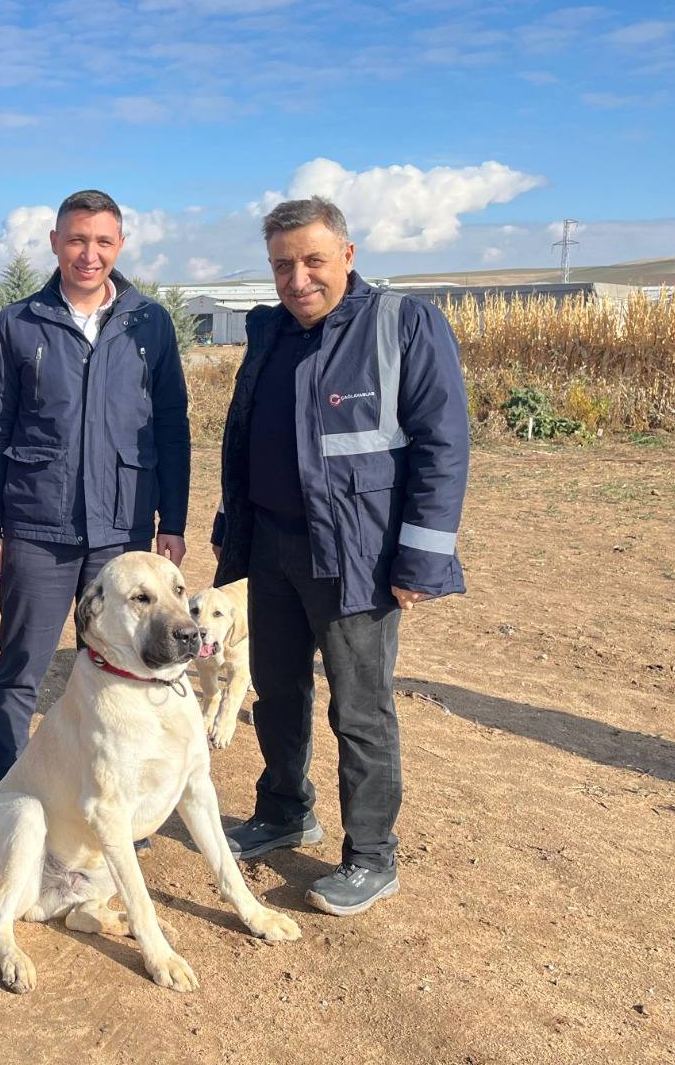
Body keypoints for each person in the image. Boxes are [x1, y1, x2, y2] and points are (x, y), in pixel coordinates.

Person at [210, 196, 470, 917]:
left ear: (347, 256)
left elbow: (444, 447)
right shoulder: (268, 333)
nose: (297, 279)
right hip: (273, 547)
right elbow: (250, 441)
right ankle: (285, 810)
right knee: (278, 689)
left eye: (313, 260)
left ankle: (371, 857)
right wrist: (235, 531)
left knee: (360, 710)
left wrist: (419, 560)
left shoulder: (401, 324)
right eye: (282, 265)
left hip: (357, 554)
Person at [0, 189, 191, 856]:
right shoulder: (19, 323)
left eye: (102, 242)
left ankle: (121, 812)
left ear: (119, 245)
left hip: (123, 529)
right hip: (38, 526)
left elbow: (173, 426)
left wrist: (171, 520)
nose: (88, 254)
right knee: (22, 670)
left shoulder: (149, 323)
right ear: (55, 242)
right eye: (76, 240)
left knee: (124, 670)